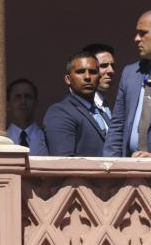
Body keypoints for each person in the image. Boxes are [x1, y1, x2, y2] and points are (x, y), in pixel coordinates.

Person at [104, 11, 151, 157]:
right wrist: (111, 167)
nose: (136, 39)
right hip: (129, 169)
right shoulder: (131, 72)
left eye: (143, 33)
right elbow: (117, 124)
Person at [43, 52, 106, 156]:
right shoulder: (60, 112)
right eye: (80, 72)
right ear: (68, 79)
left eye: (93, 72)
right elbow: (64, 162)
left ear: (99, 78)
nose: (87, 77)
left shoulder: (103, 111)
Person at [5, 78, 48, 155]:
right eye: (18, 97)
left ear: (36, 103)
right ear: (8, 105)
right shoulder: (2, 138)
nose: (23, 102)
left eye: (28, 97)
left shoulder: (48, 138)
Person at [83, 43, 116, 119]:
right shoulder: (74, 108)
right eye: (103, 66)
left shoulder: (105, 103)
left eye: (112, 66)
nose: (111, 71)